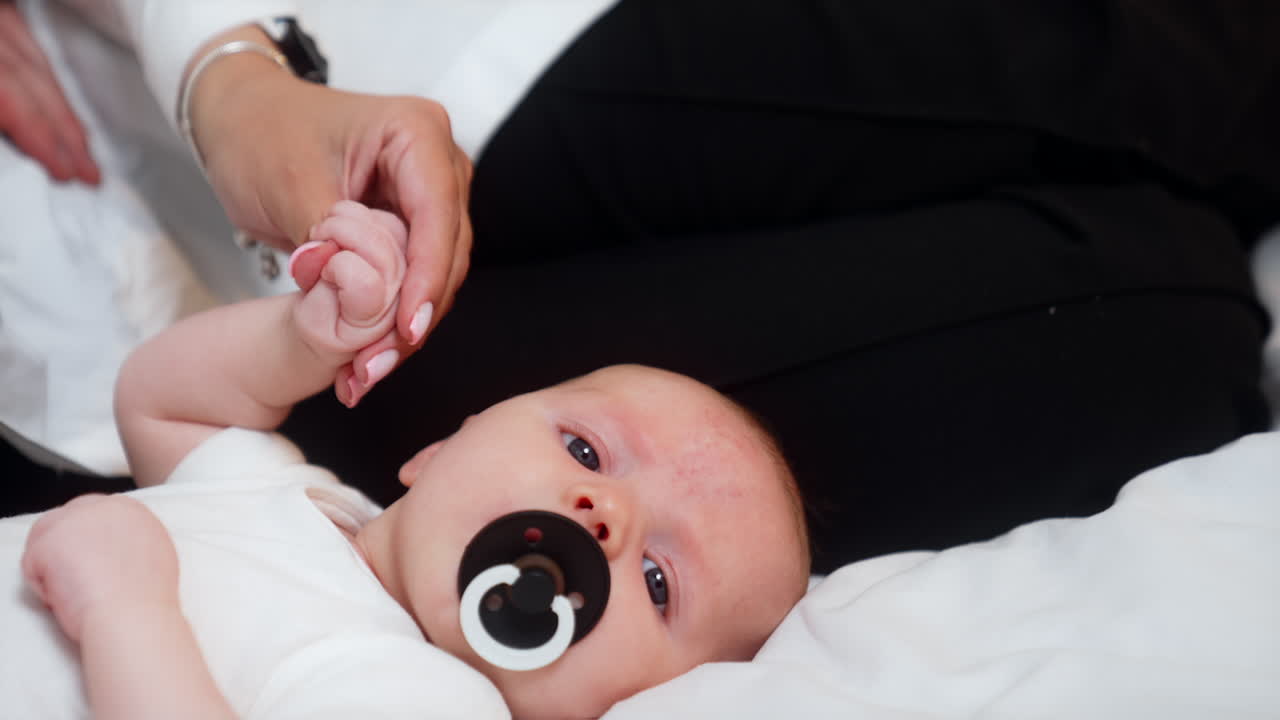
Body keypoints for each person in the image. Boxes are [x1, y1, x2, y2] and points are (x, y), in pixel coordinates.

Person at [5, 1, 1280, 572]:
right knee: (1157, 327)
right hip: (256, 410)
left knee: (1155, 72)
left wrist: (231, 81)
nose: (601, 514)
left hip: (342, 136)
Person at [4, 200, 812, 719]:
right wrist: (304, 339)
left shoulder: (430, 697)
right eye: (586, 450)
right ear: (436, 450)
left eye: (659, 582)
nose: (607, 516)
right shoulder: (296, 497)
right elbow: (162, 401)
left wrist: (124, 611)